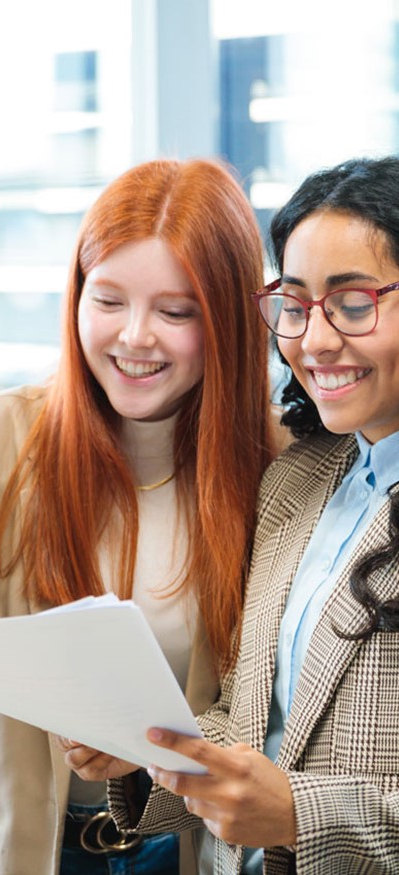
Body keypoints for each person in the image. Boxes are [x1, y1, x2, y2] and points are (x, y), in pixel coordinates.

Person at [0, 157, 275, 875]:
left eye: (175, 311)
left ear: (228, 317)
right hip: (23, 851)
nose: (135, 337)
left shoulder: (282, 466)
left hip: (194, 849)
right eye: (107, 300)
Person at [61, 155, 399, 874]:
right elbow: (251, 723)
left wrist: (301, 815)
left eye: (354, 302)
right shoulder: (298, 480)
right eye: (297, 304)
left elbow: (287, 791)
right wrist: (148, 753)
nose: (314, 340)